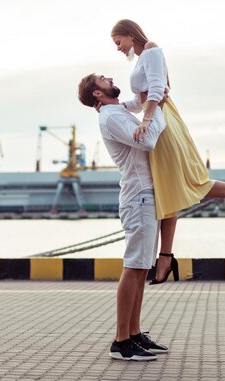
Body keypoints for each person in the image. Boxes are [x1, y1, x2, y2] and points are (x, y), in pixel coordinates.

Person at [110, 19, 225, 284]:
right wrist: (114, 107)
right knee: (167, 188)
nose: (118, 48)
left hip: (161, 122)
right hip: (156, 118)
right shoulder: (140, 60)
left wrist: (146, 120)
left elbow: (158, 89)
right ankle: (166, 257)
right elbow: (141, 99)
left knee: (186, 183)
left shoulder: (151, 48)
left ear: (128, 33)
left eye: (118, 42)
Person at [78, 73, 169, 361]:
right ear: (97, 93)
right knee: (134, 266)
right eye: (103, 78)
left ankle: (134, 333)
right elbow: (148, 140)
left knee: (141, 268)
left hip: (144, 195)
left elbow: (138, 101)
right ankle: (121, 341)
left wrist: (152, 97)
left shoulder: (118, 110)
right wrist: (159, 112)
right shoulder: (111, 118)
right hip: (138, 196)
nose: (110, 77)